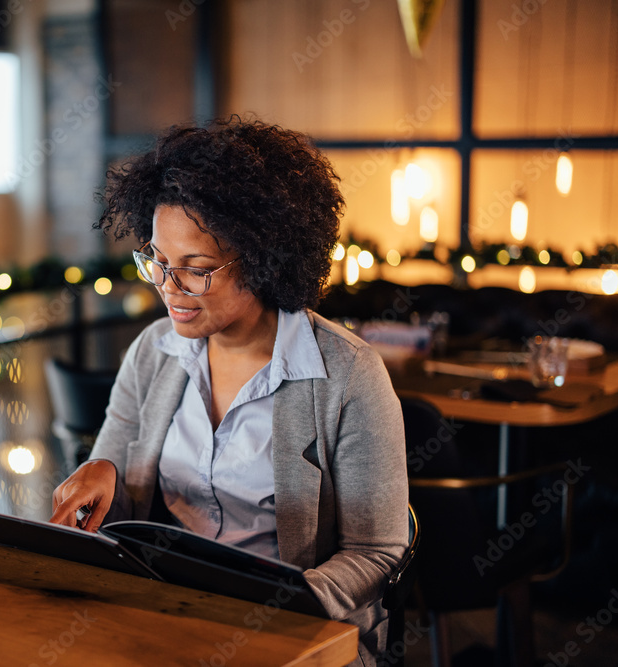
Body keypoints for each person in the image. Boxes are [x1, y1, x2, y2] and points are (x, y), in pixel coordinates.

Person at [49, 116, 408, 666]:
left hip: (297, 635)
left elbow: (375, 551)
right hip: (167, 614)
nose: (170, 289)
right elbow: (120, 499)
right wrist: (106, 474)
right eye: (159, 263)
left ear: (264, 259)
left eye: (196, 269)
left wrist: (283, 604)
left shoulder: (349, 375)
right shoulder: (153, 352)